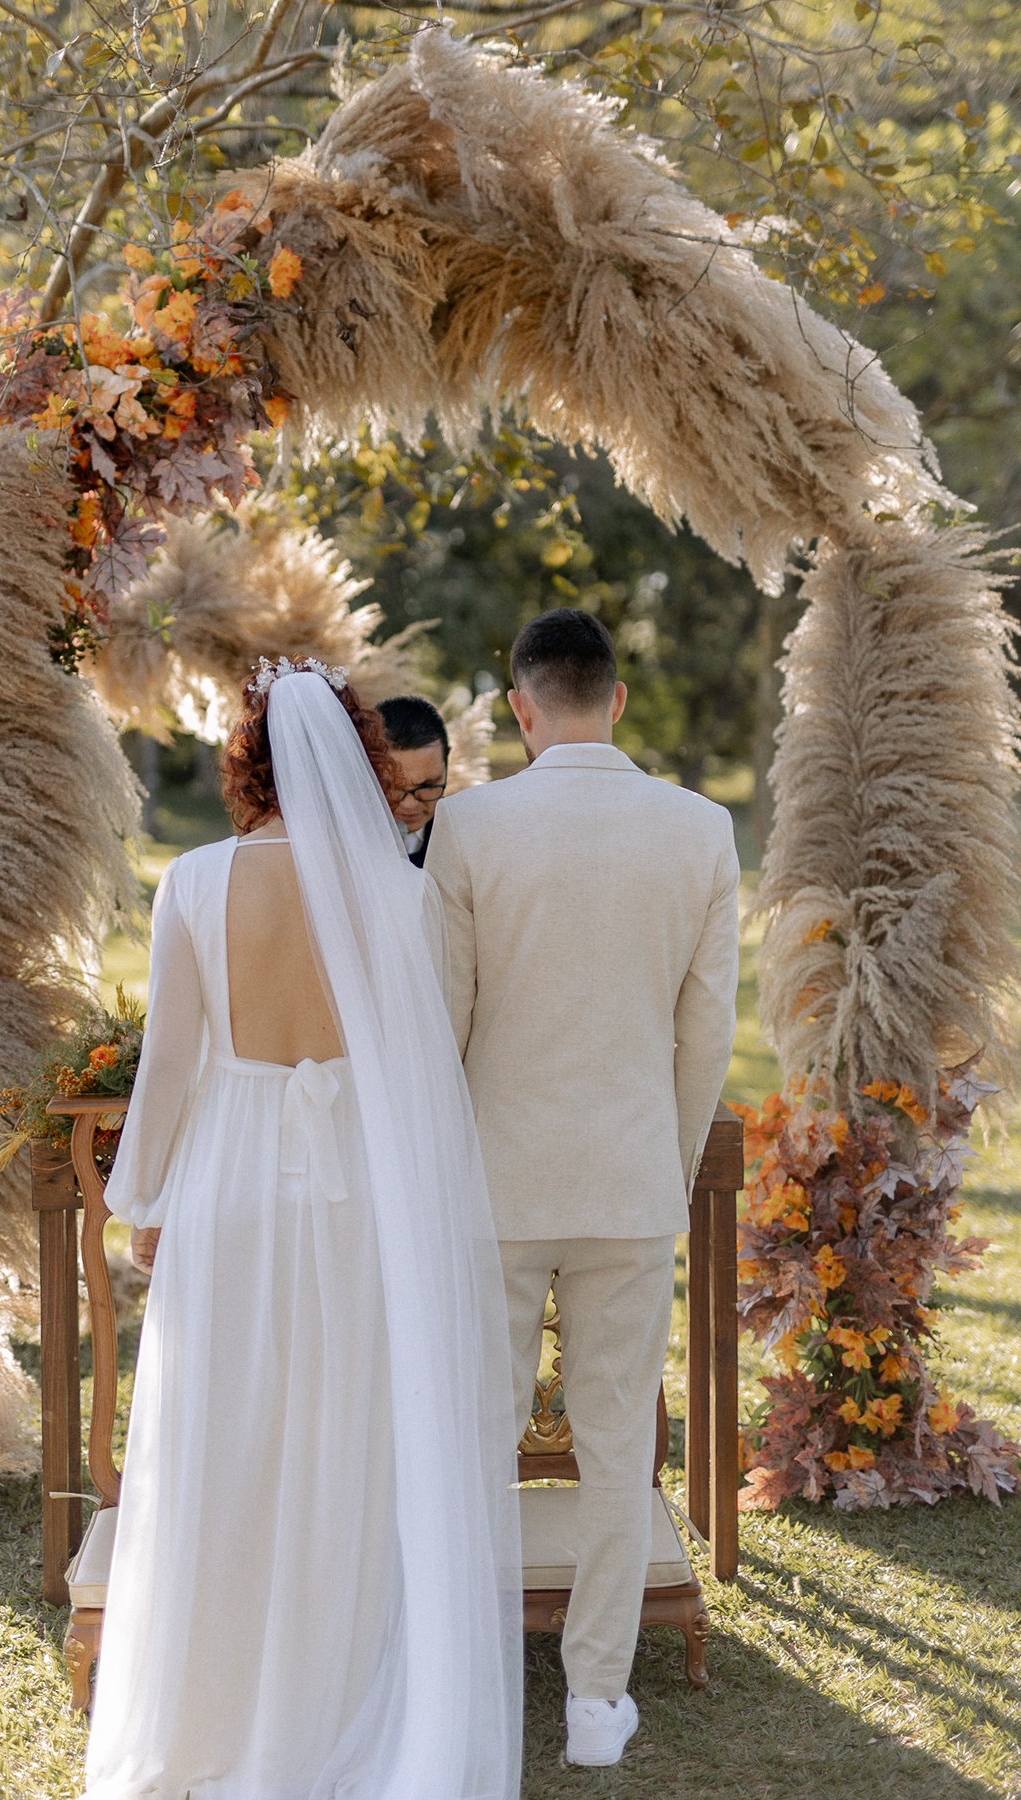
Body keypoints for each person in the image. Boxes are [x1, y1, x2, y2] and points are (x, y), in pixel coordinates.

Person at [83, 658, 521, 1800]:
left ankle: (217, 1712)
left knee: (225, 1440)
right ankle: (339, 1699)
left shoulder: (196, 881)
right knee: (349, 1436)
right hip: (361, 1190)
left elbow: (171, 1065)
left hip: (229, 1177)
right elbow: (419, 1069)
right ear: (359, 763)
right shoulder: (398, 890)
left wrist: (145, 1204)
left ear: (249, 762)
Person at [426, 609, 739, 1770]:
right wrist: (664, 1151)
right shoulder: (701, 830)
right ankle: (597, 1702)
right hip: (629, 1177)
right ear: (614, 699)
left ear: (520, 707)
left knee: (477, 1437)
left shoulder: (465, 827)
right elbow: (705, 1033)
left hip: (492, 1184)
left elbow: (439, 1024)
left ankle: (464, 1673)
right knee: (617, 1446)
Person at [376, 695, 449, 866]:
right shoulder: (338, 838)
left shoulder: (468, 834)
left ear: (446, 764)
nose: (409, 804)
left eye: (427, 785)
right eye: (393, 787)